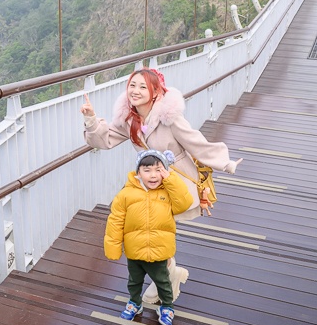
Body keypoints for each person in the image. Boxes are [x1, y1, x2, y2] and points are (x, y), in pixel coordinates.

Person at [81, 67, 241, 302]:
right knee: (153, 228)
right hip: (149, 182)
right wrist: (91, 119)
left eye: (142, 87)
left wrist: (224, 162)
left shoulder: (169, 118)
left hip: (175, 181)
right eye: (132, 85)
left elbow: (195, 141)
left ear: (156, 92)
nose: (135, 91)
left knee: (159, 228)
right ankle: (169, 274)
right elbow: (105, 140)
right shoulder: (129, 119)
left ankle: (166, 276)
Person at [105, 149, 194, 325]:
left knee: (163, 282)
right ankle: (134, 302)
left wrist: (170, 179)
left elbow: (184, 203)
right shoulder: (126, 194)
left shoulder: (168, 192)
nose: (153, 175)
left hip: (159, 250)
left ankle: (167, 306)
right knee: (134, 281)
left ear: (165, 171)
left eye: (158, 170)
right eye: (147, 170)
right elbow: (115, 220)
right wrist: (113, 246)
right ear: (138, 172)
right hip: (134, 250)